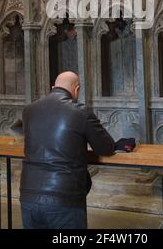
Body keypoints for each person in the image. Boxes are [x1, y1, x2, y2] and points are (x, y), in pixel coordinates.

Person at [20, 71, 115, 230]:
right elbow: (105, 147)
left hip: (28, 194)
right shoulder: (80, 111)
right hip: (64, 196)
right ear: (76, 89)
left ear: (53, 87)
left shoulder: (28, 110)